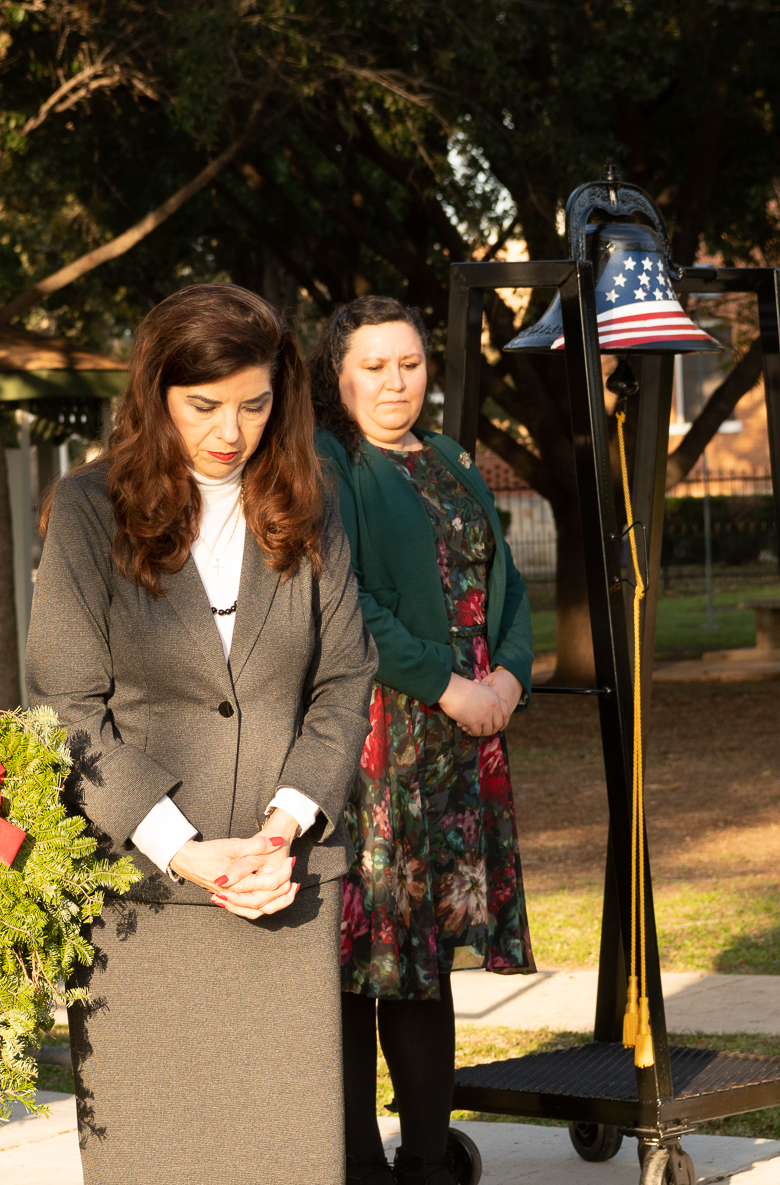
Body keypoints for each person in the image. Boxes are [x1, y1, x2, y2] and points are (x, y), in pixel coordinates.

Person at [25, 284, 376, 1184]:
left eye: (254, 405)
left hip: (281, 884)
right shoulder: (88, 508)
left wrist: (282, 827)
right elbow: (66, 705)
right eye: (204, 405)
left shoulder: (313, 499)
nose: (231, 430)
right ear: (157, 395)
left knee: (287, 1158)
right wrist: (181, 848)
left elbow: (344, 678)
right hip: (141, 899)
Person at [311, 296, 536, 1185]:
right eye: (373, 366)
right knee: (366, 957)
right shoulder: (329, 461)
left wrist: (507, 678)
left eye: (409, 363)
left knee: (425, 955)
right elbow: (346, 599)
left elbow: (506, 580)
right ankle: (358, 1165)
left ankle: (429, 1163)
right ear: (338, 375)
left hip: (463, 742)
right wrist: (447, 684)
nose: (394, 382)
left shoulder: (447, 455)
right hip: (379, 741)